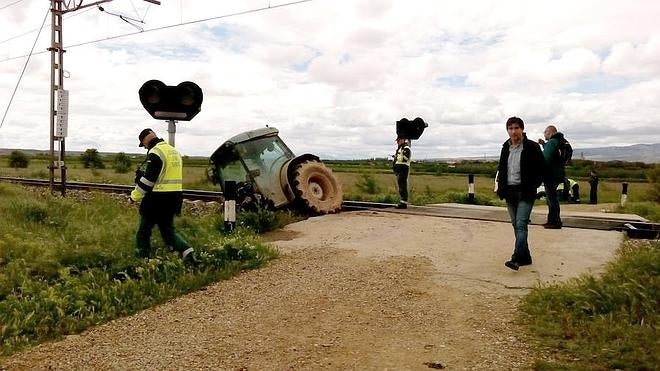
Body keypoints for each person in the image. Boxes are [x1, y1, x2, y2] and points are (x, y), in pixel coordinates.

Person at [130, 128, 196, 262]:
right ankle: (188, 253)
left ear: (145, 141)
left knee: (143, 231)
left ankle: (143, 260)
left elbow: (148, 182)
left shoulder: (155, 152)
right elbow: (164, 174)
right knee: (167, 230)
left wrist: (133, 197)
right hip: (175, 197)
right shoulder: (173, 151)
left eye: (143, 145)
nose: (145, 148)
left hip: (157, 199)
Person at [496, 117, 545, 271]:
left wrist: (534, 185)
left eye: (516, 128)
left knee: (521, 223)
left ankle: (516, 258)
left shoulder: (532, 147)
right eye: (510, 128)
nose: (513, 131)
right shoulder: (505, 147)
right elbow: (502, 168)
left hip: (525, 192)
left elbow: (541, 168)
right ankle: (526, 256)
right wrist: (500, 186)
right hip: (509, 192)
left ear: (522, 129)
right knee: (515, 225)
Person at [537, 125, 565, 229]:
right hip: (558, 173)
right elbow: (554, 154)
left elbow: (546, 158)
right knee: (552, 197)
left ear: (549, 132)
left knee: (551, 198)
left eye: (545, 132)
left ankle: (555, 221)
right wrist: (544, 144)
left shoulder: (552, 142)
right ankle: (552, 220)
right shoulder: (559, 141)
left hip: (550, 174)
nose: (544, 134)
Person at [393, 136, 411, 209]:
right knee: (401, 185)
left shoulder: (406, 148)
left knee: (402, 185)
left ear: (403, 140)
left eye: (399, 140)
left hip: (403, 168)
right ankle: (402, 202)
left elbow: (406, 158)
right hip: (400, 168)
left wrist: (398, 157)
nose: (397, 142)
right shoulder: (401, 148)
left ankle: (403, 202)